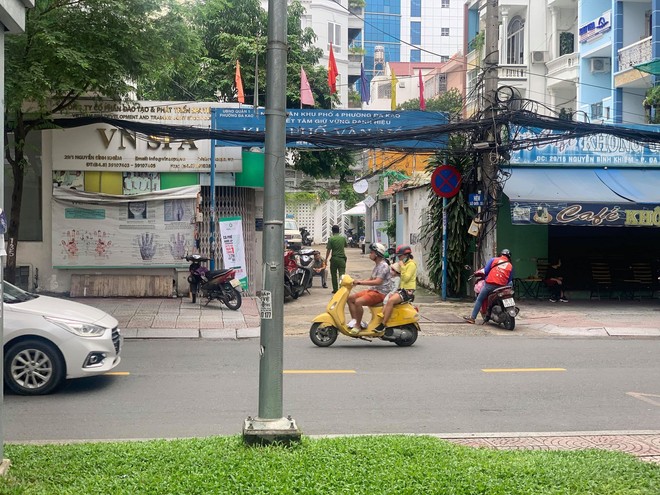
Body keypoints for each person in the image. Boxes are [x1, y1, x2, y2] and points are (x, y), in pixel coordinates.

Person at [347, 242, 392, 334]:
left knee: (358, 302)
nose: (370, 254)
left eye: (371, 252)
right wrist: (355, 281)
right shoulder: (377, 265)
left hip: (381, 293)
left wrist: (360, 282)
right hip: (373, 291)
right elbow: (371, 279)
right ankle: (355, 321)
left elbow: (378, 281)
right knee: (350, 298)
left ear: (377, 254)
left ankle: (357, 326)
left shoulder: (383, 266)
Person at [464, 249, 514, 324]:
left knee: (480, 299)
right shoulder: (510, 266)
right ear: (509, 257)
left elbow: (486, 271)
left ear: (501, 254)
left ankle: (472, 318)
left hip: (490, 285)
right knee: (511, 284)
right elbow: (509, 279)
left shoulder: (494, 260)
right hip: (503, 286)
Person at [377, 245, 417, 332]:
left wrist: (402, 266)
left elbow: (406, 278)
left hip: (407, 292)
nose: (399, 258)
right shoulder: (405, 264)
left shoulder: (411, 265)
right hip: (401, 290)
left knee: (391, 301)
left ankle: (383, 324)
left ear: (406, 255)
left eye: (400, 256)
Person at [325, 225, 348, 293]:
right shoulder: (343, 238)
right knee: (342, 275)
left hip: (334, 259)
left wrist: (326, 259)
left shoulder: (331, 239)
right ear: (339, 230)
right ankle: (341, 288)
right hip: (342, 259)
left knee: (333, 274)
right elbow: (346, 245)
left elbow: (328, 250)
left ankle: (335, 289)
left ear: (332, 231)